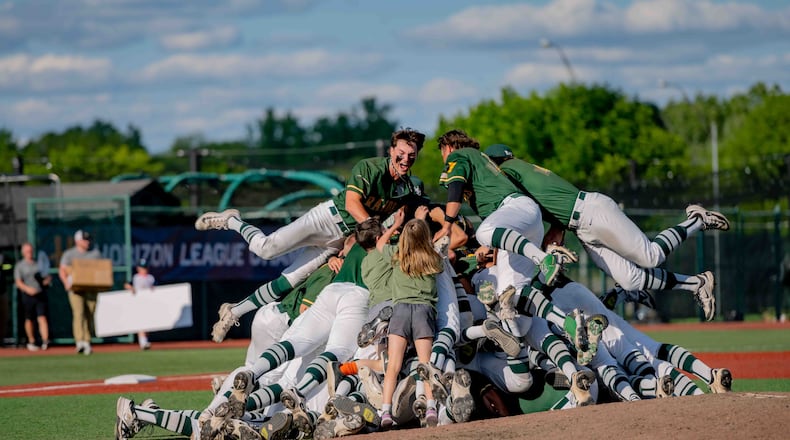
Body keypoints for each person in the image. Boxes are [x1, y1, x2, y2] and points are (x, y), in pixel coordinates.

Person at [194, 128, 427, 343]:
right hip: (327, 219)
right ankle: (232, 220)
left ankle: (233, 311)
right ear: (391, 150)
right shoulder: (370, 167)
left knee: (287, 281)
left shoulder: (406, 187)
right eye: (401, 153)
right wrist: (374, 231)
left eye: (412, 155)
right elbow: (352, 203)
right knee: (265, 248)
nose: (406, 159)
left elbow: (421, 209)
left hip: (341, 239)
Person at [483, 143, 730, 321]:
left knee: (651, 256)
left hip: (592, 212)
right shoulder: (523, 171)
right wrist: (554, 236)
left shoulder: (509, 170)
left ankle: (697, 219)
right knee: (632, 280)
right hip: (581, 225)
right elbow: (548, 211)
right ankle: (698, 283)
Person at [363, 209, 445, 429]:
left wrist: (395, 224)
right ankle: (430, 408)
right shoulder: (433, 258)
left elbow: (380, 244)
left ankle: (386, 411)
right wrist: (423, 222)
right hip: (424, 312)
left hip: (399, 312)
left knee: (393, 366)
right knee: (426, 364)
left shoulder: (395, 255)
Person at [59, 230, 102, 355]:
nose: (87, 242)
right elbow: (62, 270)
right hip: (75, 289)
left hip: (91, 289)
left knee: (90, 313)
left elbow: (101, 270)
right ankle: (80, 341)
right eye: (84, 239)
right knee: (79, 313)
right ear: (77, 241)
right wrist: (66, 282)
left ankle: (87, 341)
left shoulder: (95, 253)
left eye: (88, 239)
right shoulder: (69, 254)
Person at [14, 242, 51, 351]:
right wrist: (28, 289)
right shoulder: (20, 266)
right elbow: (18, 282)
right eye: (27, 251)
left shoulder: (38, 264)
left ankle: (45, 341)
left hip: (40, 295)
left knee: (42, 317)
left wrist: (46, 281)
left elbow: (46, 277)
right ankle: (31, 341)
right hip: (27, 296)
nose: (29, 253)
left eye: (30, 251)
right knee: (29, 319)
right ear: (23, 252)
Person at [123, 258, 155, 350]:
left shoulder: (150, 278)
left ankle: (145, 340)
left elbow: (154, 288)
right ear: (138, 268)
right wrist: (131, 288)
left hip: (148, 304)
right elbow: (126, 285)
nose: (144, 270)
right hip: (138, 304)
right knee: (141, 322)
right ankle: (143, 342)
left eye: (145, 268)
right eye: (142, 268)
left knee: (147, 324)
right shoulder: (136, 277)